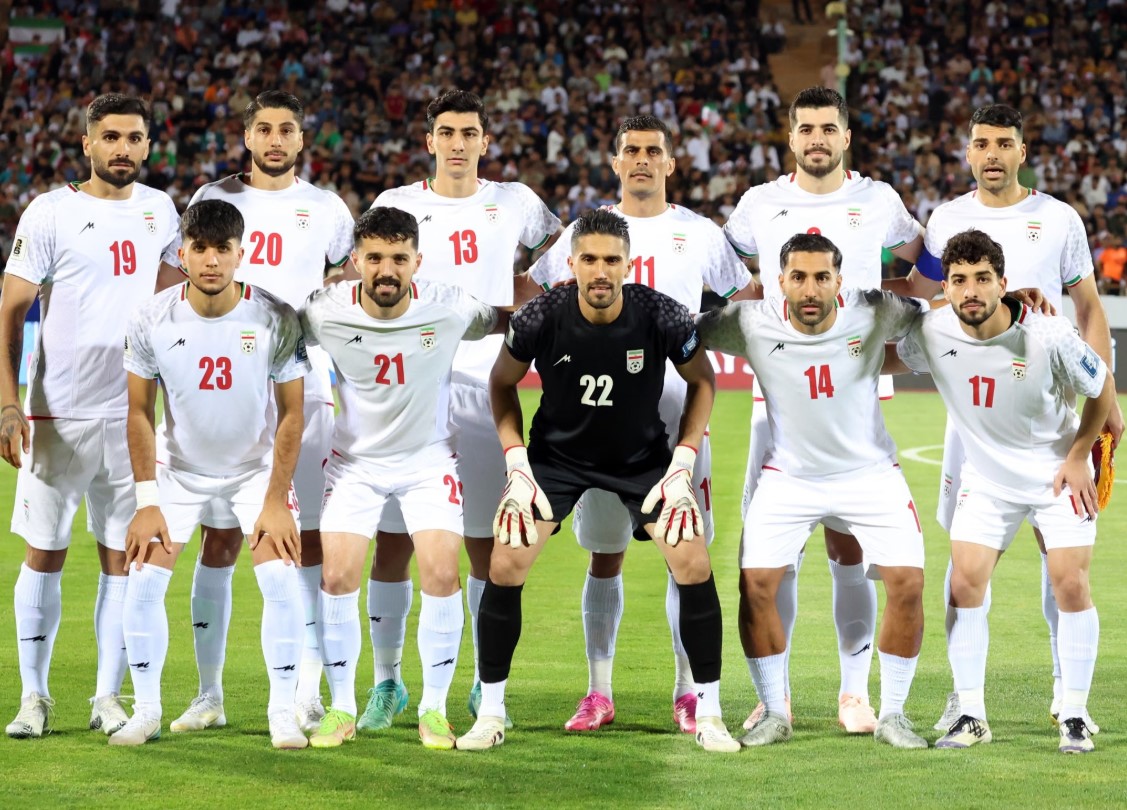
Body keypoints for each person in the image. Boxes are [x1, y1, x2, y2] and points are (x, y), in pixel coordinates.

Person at [457, 208, 739, 754]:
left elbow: (703, 381)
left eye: (613, 260)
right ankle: (490, 712)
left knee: (692, 560)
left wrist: (681, 463)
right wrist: (517, 463)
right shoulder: (541, 315)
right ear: (573, 262)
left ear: (629, 265)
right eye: (590, 260)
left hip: (641, 459)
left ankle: (709, 711)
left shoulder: (661, 314)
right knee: (506, 560)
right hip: (558, 458)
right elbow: (501, 383)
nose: (601, 271)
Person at [527, 114, 756, 734]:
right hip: (596, 427)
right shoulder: (584, 232)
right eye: (631, 150)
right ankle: (599, 691)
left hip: (680, 428)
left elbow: (734, 304)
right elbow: (543, 301)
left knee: (686, 554)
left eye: (654, 151)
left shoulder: (700, 234)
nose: (642, 161)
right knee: (605, 557)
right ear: (616, 160)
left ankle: (687, 691)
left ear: (671, 162)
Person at [904, 104, 1122, 732]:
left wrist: (1100, 406)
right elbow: (921, 297)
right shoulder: (947, 218)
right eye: (980, 144)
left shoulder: (1058, 218)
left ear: (1023, 151)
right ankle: (964, 699)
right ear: (967, 153)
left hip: (1050, 399)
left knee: (1063, 564)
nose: (992, 153)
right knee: (966, 566)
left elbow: (1089, 308)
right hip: (972, 412)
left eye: (1003, 143)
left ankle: (1066, 688)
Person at [722, 86, 927, 733]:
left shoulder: (878, 201)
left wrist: (883, 310)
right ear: (790, 138)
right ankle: (772, 698)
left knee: (848, 548)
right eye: (804, 128)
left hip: (855, 396)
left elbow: (924, 260)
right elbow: (732, 278)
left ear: (845, 137)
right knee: (770, 556)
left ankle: (852, 692)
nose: (816, 138)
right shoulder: (759, 203)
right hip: (773, 399)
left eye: (827, 128)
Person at [361, 89, 559, 732]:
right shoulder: (397, 205)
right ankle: (387, 682)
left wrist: (518, 307)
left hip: (482, 387)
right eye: (446, 132)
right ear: (429, 141)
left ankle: (481, 679)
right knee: (392, 543)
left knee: (481, 544)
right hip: (409, 389)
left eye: (468, 132)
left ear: (483, 140)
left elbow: (557, 259)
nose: (457, 142)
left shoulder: (515, 202)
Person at [698, 232, 929, 749]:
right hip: (789, 478)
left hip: (870, 474)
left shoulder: (874, 311)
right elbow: (677, 331)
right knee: (755, 585)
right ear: (778, 282)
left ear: (839, 282)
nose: (810, 289)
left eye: (822, 277)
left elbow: (941, 311)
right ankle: (775, 712)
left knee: (908, 583)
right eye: (798, 277)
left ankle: (892, 713)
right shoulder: (751, 323)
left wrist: (1013, 303)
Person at [1, 94, 182, 739]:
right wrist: (8, 402)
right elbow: (12, 310)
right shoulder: (51, 212)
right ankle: (34, 697)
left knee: (119, 559)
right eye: (111, 138)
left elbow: (172, 306)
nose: (124, 149)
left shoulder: (163, 212)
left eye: (135, 138)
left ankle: (106, 698)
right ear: (87, 143)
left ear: (148, 145)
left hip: (132, 415)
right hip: (58, 413)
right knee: (43, 556)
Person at [176, 90, 356, 735]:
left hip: (304, 388)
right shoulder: (211, 201)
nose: (275, 140)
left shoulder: (327, 210)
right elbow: (182, 286)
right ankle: (208, 694)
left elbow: (343, 285)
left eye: (286, 129)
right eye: (263, 129)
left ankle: (306, 687)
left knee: (302, 539)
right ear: (246, 136)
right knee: (220, 539)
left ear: (302, 139)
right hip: (224, 389)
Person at [297, 206, 502, 750]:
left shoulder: (451, 307)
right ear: (355, 261)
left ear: (417, 260)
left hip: (428, 463)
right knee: (337, 576)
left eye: (398, 259)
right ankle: (341, 705)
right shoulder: (324, 311)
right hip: (355, 464)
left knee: (441, 572)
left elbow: (503, 321)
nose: (386, 270)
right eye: (374, 258)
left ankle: (434, 709)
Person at [112, 199, 310, 748]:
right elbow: (137, 412)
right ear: (182, 252)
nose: (211, 261)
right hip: (179, 473)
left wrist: (275, 498)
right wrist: (146, 497)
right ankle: (147, 710)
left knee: (280, 578)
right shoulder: (150, 317)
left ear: (241, 253)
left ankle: (282, 712)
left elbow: (294, 413)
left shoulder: (275, 316)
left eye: (223, 249)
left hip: (254, 472)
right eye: (199, 248)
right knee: (145, 580)